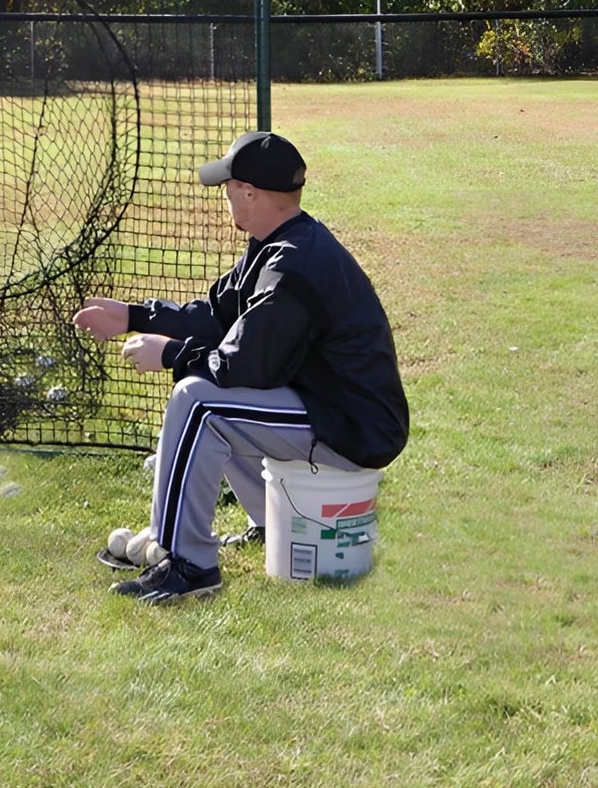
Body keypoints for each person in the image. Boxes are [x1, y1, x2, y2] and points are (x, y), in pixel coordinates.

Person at [73, 130, 408, 605]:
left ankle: (187, 566)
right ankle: (272, 524)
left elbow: (244, 367)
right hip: (332, 410)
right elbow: (215, 315)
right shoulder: (279, 241)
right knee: (216, 404)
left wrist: (168, 354)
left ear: (250, 194)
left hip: (355, 429)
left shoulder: (293, 266)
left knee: (198, 403)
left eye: (229, 188)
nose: (226, 197)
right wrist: (132, 315)